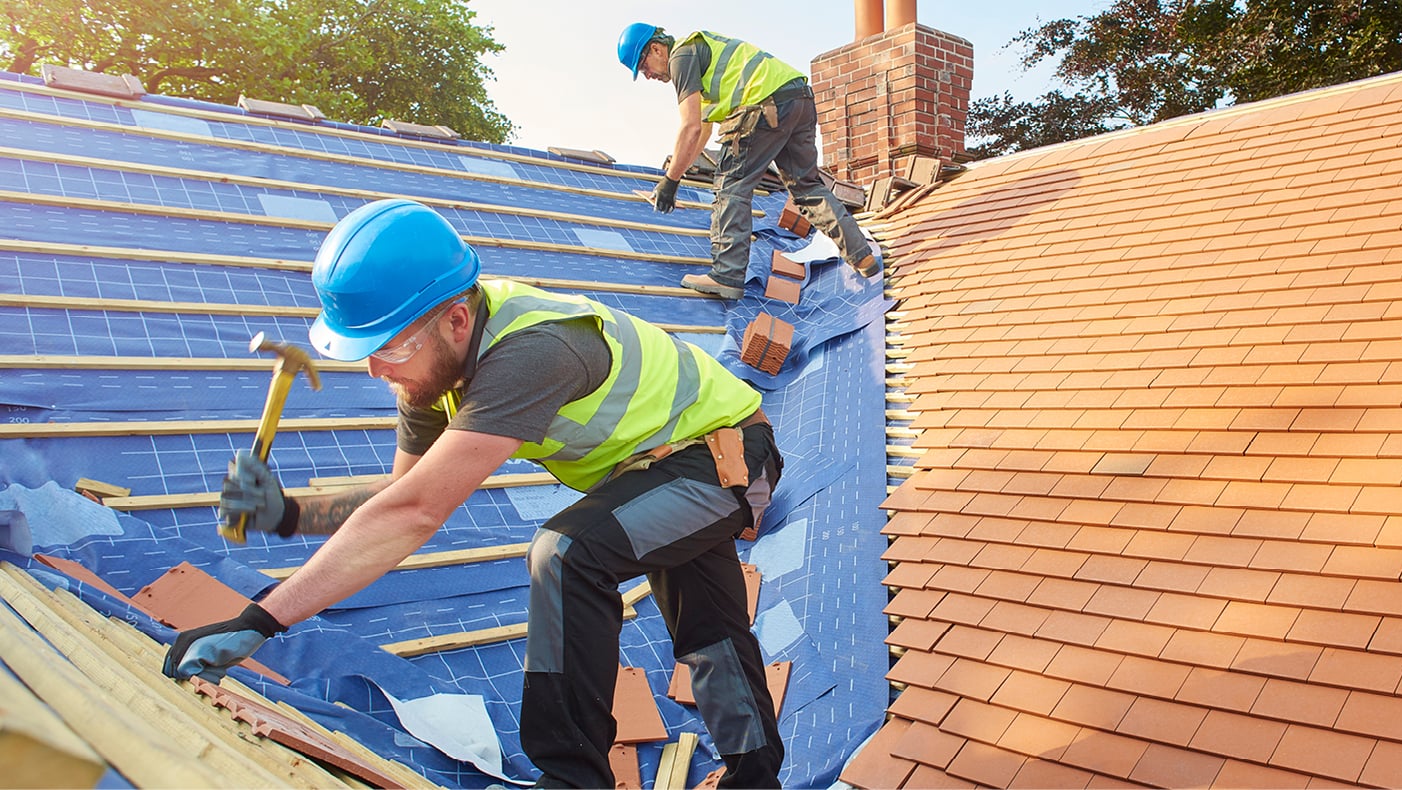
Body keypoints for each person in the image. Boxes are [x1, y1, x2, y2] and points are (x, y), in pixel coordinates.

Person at [162, 199, 787, 789]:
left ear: (456, 319)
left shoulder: (533, 353)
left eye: (391, 348)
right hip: (656, 471)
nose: (381, 371)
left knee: (566, 555)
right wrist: (291, 513)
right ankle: (757, 779)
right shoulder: (428, 373)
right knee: (710, 630)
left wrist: (259, 620)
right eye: (365, 354)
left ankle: (572, 780)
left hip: (727, 458)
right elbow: (400, 496)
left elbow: (413, 515)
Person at [617, 22, 878, 300]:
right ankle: (862, 256)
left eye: (644, 66)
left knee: (731, 186)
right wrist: (676, 176)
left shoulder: (681, 57)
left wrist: (669, 182)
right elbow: (701, 131)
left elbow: (689, 126)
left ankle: (726, 275)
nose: (647, 76)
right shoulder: (702, 58)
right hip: (798, 99)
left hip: (764, 104)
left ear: (656, 48)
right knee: (807, 188)